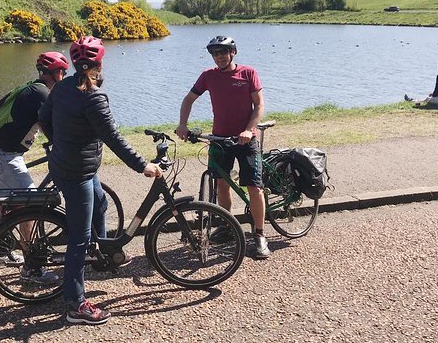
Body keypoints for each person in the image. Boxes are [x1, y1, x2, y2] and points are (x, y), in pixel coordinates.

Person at [38, 35, 162, 326]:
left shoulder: (63, 86)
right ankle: (75, 305)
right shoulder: (93, 95)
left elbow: (43, 117)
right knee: (78, 239)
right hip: (76, 171)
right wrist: (142, 165)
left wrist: (60, 142)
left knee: (101, 203)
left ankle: (102, 253)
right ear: (99, 63)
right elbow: (113, 138)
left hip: (71, 165)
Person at [174, 35, 269, 259]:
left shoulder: (248, 73)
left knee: (254, 188)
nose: (219, 57)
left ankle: (259, 235)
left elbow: (259, 105)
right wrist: (182, 125)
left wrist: (248, 129)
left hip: (246, 140)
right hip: (220, 139)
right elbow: (188, 99)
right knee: (221, 186)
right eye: (215, 54)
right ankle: (227, 227)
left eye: (223, 52)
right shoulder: (208, 76)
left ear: (232, 53)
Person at [0, 51, 69, 283]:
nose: (64, 77)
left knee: (7, 200)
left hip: (1, 151)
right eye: (63, 72)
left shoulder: (33, 87)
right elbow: (50, 126)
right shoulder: (41, 94)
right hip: (3, 155)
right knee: (28, 205)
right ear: (57, 74)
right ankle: (31, 268)